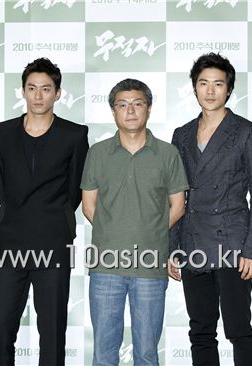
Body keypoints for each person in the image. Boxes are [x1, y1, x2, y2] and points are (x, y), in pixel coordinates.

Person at [169, 53, 252, 366]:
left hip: (232, 244)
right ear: (194, 88)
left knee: (238, 328)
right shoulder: (181, 134)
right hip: (192, 244)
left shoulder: (246, 132)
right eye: (203, 83)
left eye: (218, 83)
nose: (210, 91)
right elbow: (175, 196)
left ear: (229, 89)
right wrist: (172, 247)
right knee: (200, 330)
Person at [0, 57, 89, 366]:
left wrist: (49, 215)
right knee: (2, 327)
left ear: (58, 93)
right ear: (23, 91)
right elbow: (1, 186)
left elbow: (74, 192)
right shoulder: (0, 133)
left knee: (53, 331)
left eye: (46, 89)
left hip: (54, 241)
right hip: (10, 241)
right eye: (32, 88)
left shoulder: (74, 135)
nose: (38, 96)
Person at [81, 78, 188, 365]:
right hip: (105, 266)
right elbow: (89, 206)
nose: (130, 111)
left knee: (147, 353)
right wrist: (114, 231)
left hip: (151, 266)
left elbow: (178, 206)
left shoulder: (167, 153)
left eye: (137, 104)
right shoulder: (98, 153)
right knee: (103, 352)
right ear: (113, 111)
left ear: (149, 109)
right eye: (122, 105)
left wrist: (149, 231)